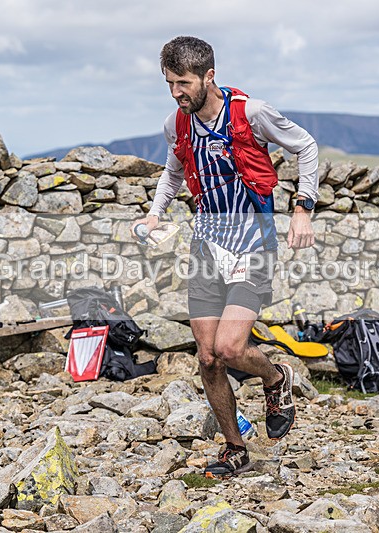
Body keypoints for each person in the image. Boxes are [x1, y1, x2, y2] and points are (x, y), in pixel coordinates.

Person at [131, 36, 319, 478]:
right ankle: (235, 449)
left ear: (209, 76)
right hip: (206, 246)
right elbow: (174, 171)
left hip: (251, 243)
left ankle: (275, 379)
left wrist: (302, 209)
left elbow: (306, 146)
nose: (177, 92)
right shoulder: (175, 123)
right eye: (169, 83)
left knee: (231, 347)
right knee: (208, 357)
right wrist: (156, 214)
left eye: (183, 82)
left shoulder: (250, 113)